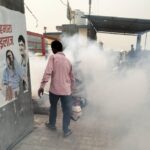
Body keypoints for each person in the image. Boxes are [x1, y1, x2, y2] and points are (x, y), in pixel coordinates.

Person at [38, 40, 74, 137]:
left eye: (52, 49)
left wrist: (42, 86)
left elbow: (47, 72)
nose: (52, 51)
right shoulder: (69, 61)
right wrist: (72, 91)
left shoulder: (53, 57)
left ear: (54, 49)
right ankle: (66, 131)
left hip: (54, 90)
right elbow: (72, 78)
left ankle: (52, 125)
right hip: (66, 91)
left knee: (53, 107)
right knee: (66, 110)